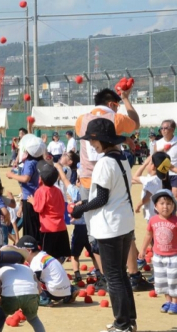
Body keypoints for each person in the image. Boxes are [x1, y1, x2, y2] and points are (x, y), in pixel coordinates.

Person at [75, 87, 144, 294]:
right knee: (124, 226)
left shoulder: (81, 119)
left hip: (87, 179)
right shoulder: (116, 117)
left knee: (93, 231)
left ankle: (105, 276)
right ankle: (133, 275)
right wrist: (126, 98)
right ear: (113, 104)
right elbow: (136, 123)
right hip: (115, 176)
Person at [71, 118, 137, 332]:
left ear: (100, 139)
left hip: (110, 226)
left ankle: (121, 324)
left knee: (114, 276)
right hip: (125, 222)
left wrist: (79, 209)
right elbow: (109, 194)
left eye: (92, 140)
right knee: (121, 273)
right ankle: (129, 321)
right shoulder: (122, 159)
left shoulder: (104, 163)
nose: (91, 144)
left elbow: (101, 199)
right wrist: (85, 203)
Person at [54, 163, 100, 286]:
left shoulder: (75, 192)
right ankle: (99, 275)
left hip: (79, 229)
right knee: (94, 253)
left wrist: (59, 167)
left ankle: (77, 276)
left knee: (74, 255)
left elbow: (64, 180)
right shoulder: (93, 193)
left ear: (79, 182)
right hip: (91, 229)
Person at [139, 189, 177, 314]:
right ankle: (167, 301)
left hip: (174, 256)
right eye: (162, 203)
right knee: (162, 280)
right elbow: (148, 235)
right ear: (155, 206)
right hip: (158, 256)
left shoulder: (176, 221)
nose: (165, 206)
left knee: (173, 280)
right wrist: (143, 250)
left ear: (173, 206)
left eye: (169, 203)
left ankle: (174, 302)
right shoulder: (153, 220)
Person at [0, 247, 45, 332]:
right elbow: (39, 289)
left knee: (1, 318)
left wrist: (5, 294)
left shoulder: (1, 270)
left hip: (10, 296)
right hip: (31, 295)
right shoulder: (28, 268)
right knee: (33, 319)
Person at [27, 160, 71, 260]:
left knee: (47, 255)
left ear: (41, 178)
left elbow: (38, 208)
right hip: (61, 226)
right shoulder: (58, 190)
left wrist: (32, 201)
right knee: (59, 254)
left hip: (48, 228)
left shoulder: (41, 191)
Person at [17, 235, 79, 306]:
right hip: (66, 289)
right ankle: (71, 291)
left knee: (31, 283)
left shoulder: (36, 261)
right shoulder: (45, 255)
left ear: (28, 251)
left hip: (54, 292)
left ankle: (44, 299)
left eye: (21, 253)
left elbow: (33, 281)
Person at [6, 135, 46, 243]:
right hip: (35, 196)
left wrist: (11, 175)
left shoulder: (29, 162)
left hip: (29, 198)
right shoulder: (39, 161)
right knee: (37, 225)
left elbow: (26, 178)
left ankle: (32, 249)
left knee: (30, 228)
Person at [156, 120, 177, 199]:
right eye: (161, 128)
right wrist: (162, 149)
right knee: (164, 196)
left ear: (172, 129)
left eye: (165, 128)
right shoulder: (158, 143)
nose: (163, 130)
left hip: (175, 173)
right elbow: (153, 157)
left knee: (175, 194)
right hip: (162, 173)